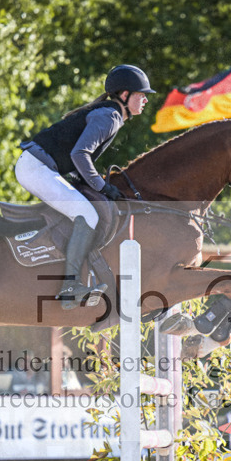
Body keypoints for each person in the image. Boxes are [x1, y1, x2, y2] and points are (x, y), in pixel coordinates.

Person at [15, 64, 154, 310]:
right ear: (124, 95)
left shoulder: (110, 114)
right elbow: (80, 154)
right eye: (140, 94)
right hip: (35, 168)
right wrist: (102, 187)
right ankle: (69, 287)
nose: (145, 99)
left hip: (38, 166)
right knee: (86, 213)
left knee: (84, 209)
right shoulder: (110, 116)